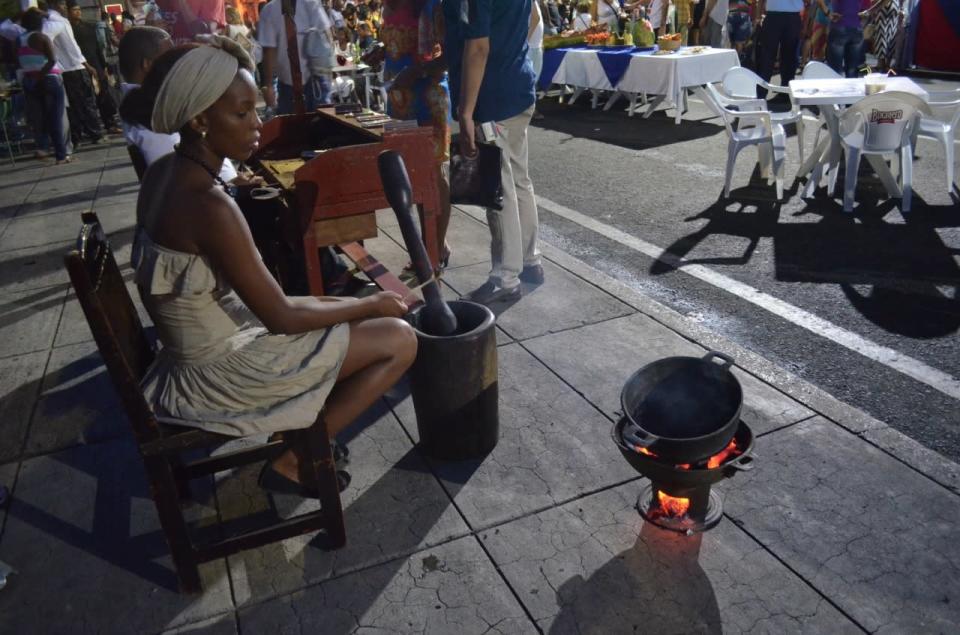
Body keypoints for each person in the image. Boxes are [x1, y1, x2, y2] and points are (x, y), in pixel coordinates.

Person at [128, 36, 417, 496]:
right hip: (216, 378)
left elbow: (272, 304)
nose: (257, 125)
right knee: (400, 341)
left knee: (339, 307)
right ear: (200, 120)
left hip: (196, 353)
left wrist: (350, 305)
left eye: (255, 110)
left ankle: (299, 435)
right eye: (242, 114)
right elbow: (281, 317)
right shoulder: (208, 204)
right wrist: (369, 306)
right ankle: (294, 456)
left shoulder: (164, 172)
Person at [444, 0, 543, 304]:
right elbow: (535, 16)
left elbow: (478, 48)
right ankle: (530, 261)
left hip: (491, 97)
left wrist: (465, 111)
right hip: (518, 86)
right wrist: (509, 53)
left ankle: (505, 277)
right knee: (519, 181)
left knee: (498, 191)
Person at [381, 0, 452, 270]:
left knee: (434, 174)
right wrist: (382, 50)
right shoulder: (388, 5)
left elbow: (450, 55)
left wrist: (418, 70)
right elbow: (398, 45)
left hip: (428, 98)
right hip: (399, 100)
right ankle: (430, 244)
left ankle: (436, 246)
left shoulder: (432, 5)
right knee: (410, 175)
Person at [44, 0, 105, 146]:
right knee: (87, 103)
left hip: (60, 69)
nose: (65, 8)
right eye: (62, 5)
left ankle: (76, 136)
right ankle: (95, 133)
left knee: (70, 106)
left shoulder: (44, 21)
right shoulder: (60, 22)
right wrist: (87, 65)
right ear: (55, 5)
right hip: (75, 68)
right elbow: (72, 47)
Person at [258, 0, 333, 113]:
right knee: (290, 126)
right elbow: (269, 50)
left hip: (314, 82)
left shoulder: (311, 4)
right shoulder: (269, 10)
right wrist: (269, 85)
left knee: (320, 124)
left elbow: (326, 35)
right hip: (286, 85)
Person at [18, 7, 69, 163]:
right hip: (49, 79)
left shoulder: (18, 39)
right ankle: (61, 155)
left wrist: (33, 77)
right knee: (55, 117)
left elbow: (17, 61)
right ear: (39, 23)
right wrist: (40, 75)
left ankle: (42, 147)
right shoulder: (42, 38)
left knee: (39, 117)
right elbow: (52, 60)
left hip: (29, 81)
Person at [67, 1, 122, 133]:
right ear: (68, 12)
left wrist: (103, 65)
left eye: (79, 10)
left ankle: (110, 124)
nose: (78, 12)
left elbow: (98, 47)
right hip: (79, 66)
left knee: (104, 95)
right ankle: (90, 128)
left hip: (96, 64)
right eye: (74, 10)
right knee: (87, 100)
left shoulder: (90, 26)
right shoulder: (68, 29)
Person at [756, 0, 803, 96]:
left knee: (768, 57)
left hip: (776, 16)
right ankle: (784, 94)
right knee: (787, 58)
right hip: (790, 16)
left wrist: (757, 17)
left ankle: (762, 94)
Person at [825, 0, 865, 77]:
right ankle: (852, 88)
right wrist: (871, 11)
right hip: (856, 28)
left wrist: (827, 13)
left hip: (839, 26)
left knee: (835, 70)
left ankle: (837, 88)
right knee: (852, 70)